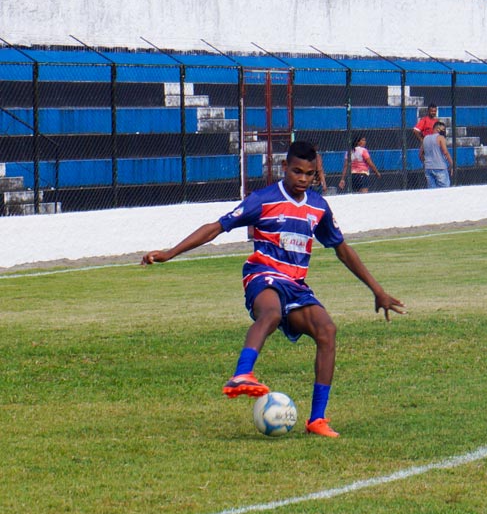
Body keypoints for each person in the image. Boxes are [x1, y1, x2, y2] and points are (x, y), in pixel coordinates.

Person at [141, 141, 405, 439]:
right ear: (284, 168)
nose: (302, 178)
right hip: (262, 274)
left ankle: (317, 419)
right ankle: (242, 373)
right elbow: (216, 227)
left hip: (295, 285)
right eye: (296, 171)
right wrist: (169, 252)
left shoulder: (318, 206)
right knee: (271, 313)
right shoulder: (262, 200)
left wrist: (377, 290)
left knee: (327, 331)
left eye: (309, 173)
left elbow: (341, 250)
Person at [419, 120, 454, 188]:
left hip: (428, 167)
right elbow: (445, 152)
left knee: (432, 192)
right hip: (440, 167)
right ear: (438, 129)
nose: (444, 131)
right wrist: (451, 164)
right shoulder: (441, 138)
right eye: (443, 129)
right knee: (444, 190)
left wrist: (425, 163)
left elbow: (420, 154)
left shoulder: (425, 138)